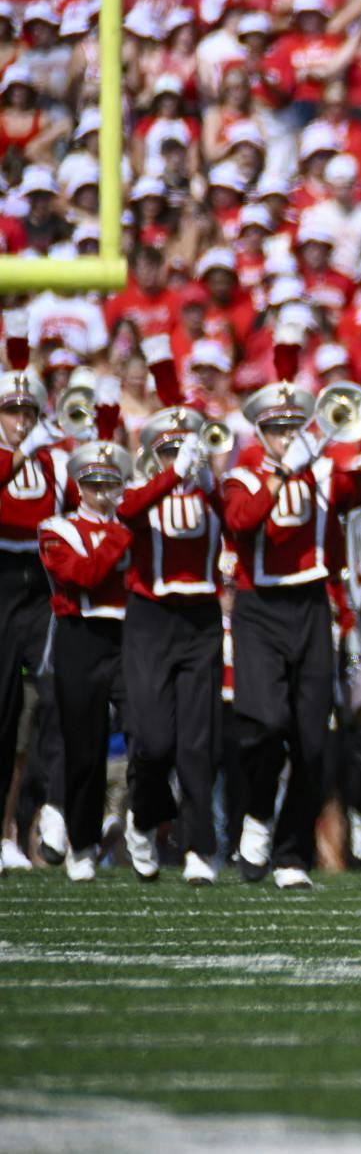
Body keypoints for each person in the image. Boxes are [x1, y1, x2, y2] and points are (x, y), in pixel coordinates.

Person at [221, 369, 361, 889]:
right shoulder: (245, 475)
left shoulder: (324, 476)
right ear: (260, 433)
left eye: (294, 426)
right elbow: (241, 522)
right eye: (276, 429)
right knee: (265, 724)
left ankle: (292, 853)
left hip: (312, 607)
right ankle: (256, 815)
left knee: (314, 743)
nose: (287, 437)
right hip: (258, 607)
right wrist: (280, 475)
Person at [118, 340, 229, 885]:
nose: (177, 461)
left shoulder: (211, 492)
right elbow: (126, 511)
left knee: (197, 744)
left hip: (201, 622)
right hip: (150, 620)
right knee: (155, 741)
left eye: (181, 453)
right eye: (167, 453)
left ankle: (199, 847)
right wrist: (168, 476)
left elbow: (244, 524)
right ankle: (142, 818)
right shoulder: (144, 487)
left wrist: (209, 482)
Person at [37, 439, 132, 882]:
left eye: (111, 483)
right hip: (80, 639)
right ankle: (83, 841)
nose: (103, 492)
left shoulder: (129, 524)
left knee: (149, 731)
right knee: (85, 747)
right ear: (79, 486)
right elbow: (83, 576)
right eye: (94, 484)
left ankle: (137, 818)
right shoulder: (56, 528)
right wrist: (121, 529)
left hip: (129, 636)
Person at [0, 358, 60, 871]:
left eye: (28, 410)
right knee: (2, 714)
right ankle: (3, 834)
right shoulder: (16, 456)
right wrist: (20, 455)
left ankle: (47, 815)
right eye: (12, 410)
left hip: (40, 585)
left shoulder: (50, 460)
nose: (21, 419)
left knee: (58, 694)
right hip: (1, 582)